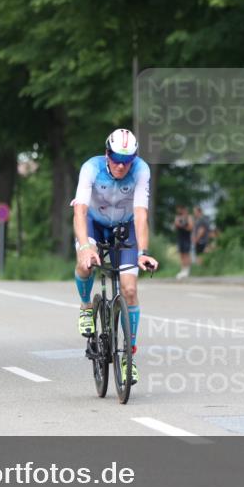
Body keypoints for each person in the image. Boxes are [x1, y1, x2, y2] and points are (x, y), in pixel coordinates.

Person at [72, 128, 158, 384]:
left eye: (127, 160)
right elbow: (80, 211)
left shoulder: (141, 170)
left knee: (129, 290)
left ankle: (128, 356)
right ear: (107, 153)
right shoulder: (91, 168)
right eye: (117, 159)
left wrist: (142, 252)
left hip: (126, 224)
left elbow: (141, 214)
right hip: (93, 222)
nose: (121, 166)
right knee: (85, 264)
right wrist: (86, 246)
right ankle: (87, 306)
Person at [174, 205, 192, 278]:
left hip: (186, 238)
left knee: (186, 254)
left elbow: (190, 227)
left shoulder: (189, 217)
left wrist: (182, 226)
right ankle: (182, 270)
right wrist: (179, 224)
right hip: (180, 238)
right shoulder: (178, 217)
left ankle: (187, 270)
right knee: (181, 254)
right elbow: (176, 225)